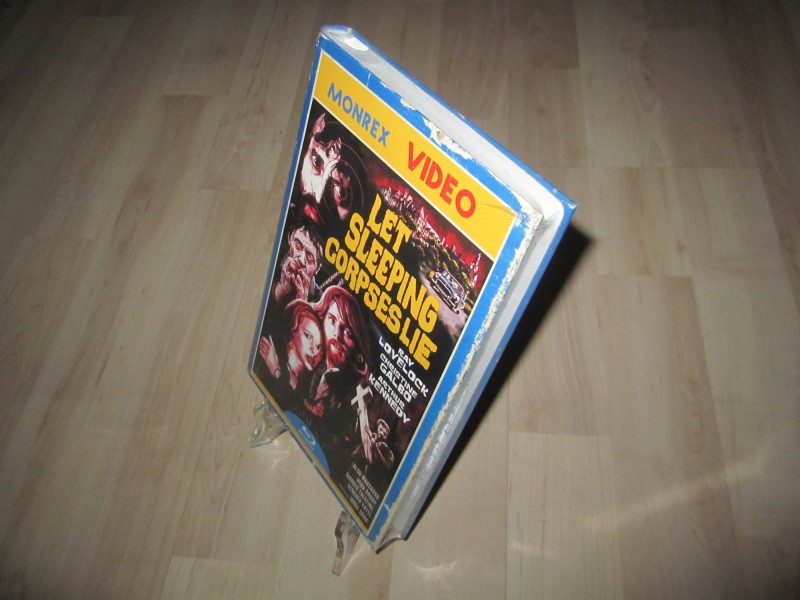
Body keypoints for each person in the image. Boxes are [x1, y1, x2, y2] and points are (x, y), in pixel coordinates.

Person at [257, 300, 323, 410]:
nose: (314, 350)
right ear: (293, 330)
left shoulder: (307, 387)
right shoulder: (272, 352)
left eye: (318, 346)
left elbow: (291, 406)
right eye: (308, 336)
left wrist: (276, 370)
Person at [271, 225, 323, 313]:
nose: (301, 260)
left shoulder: (319, 301)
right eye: (297, 244)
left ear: (317, 268)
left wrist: (301, 307)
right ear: (290, 238)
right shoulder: (273, 259)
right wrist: (281, 290)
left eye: (310, 256)